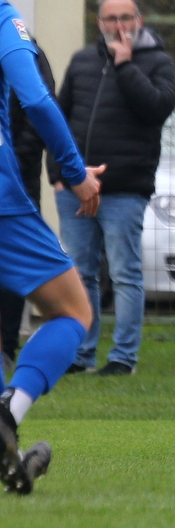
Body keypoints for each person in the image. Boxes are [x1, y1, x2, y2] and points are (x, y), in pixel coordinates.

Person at [0, 0, 104, 494]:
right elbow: (37, 97)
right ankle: (10, 414)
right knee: (73, 313)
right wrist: (74, 169)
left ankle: (10, 454)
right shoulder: (3, 19)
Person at [48, 0, 175, 376]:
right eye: (110, 19)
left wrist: (125, 66)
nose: (118, 26)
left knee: (124, 273)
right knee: (79, 273)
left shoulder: (157, 62)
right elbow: (57, 118)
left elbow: (157, 108)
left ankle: (123, 357)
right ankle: (81, 354)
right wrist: (57, 176)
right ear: (99, 22)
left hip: (124, 190)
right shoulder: (83, 60)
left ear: (139, 20)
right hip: (74, 188)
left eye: (126, 18)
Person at [0, 40, 57, 375]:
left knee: (10, 270)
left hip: (18, 181)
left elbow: (40, 108)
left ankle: (7, 346)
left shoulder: (25, 50)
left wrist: (14, 161)